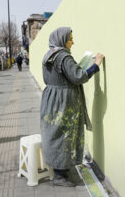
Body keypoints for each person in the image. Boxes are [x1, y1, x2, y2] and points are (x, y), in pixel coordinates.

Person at [40, 27, 104, 187]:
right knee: (65, 135)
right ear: (62, 40)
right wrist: (96, 64)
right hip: (64, 102)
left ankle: (60, 170)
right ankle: (60, 176)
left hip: (51, 100)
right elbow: (78, 77)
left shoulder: (49, 55)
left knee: (55, 133)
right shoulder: (63, 57)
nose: (72, 42)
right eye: (70, 39)